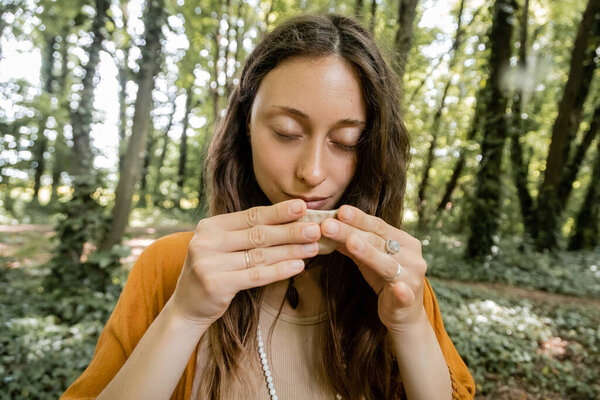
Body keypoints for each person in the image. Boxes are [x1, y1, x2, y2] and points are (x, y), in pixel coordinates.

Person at [62, 14, 475, 400]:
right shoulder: (169, 269)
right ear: (246, 126)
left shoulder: (393, 279)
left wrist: (409, 325)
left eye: (346, 142)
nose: (312, 173)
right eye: (286, 132)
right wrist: (184, 316)